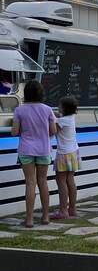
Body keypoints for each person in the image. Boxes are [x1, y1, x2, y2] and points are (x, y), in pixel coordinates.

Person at [12, 80, 57, 227]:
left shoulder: (19, 110)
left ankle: (29, 219)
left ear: (26, 93)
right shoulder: (47, 109)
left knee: (30, 183)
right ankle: (45, 216)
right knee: (42, 181)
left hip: (26, 149)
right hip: (43, 149)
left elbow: (14, 132)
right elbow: (53, 131)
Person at [52, 96, 80, 220]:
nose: (58, 107)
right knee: (70, 180)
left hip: (63, 153)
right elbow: (57, 116)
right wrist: (54, 114)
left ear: (64, 108)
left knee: (61, 181)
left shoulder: (61, 121)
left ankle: (63, 210)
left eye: (60, 105)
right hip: (74, 152)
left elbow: (52, 131)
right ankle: (72, 209)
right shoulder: (71, 118)